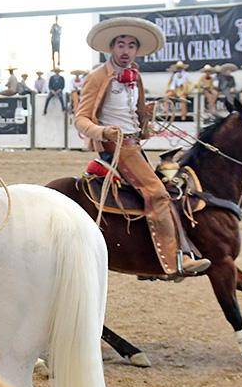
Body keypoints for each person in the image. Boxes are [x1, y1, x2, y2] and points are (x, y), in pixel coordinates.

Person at [75, 17, 210, 277]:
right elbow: (80, 118)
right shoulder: (97, 77)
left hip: (134, 147)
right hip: (116, 148)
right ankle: (174, 262)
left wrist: (147, 116)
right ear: (111, 48)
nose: (126, 51)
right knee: (157, 194)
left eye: (131, 46)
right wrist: (102, 131)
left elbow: (136, 116)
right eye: (121, 45)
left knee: (169, 187)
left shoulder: (135, 77)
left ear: (137, 50)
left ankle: (149, 258)